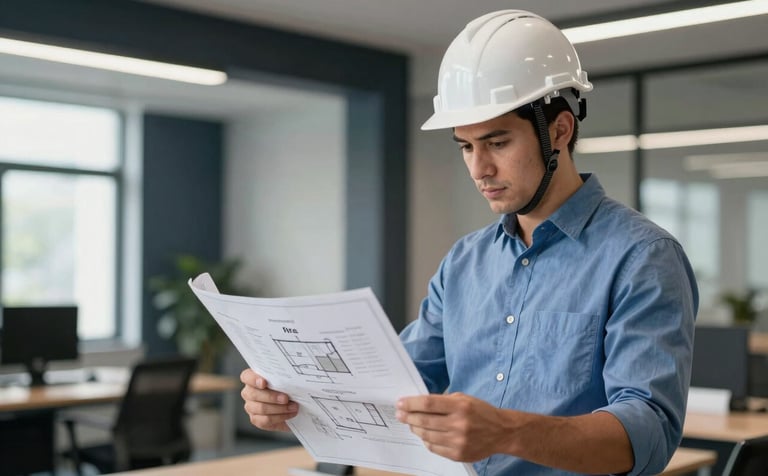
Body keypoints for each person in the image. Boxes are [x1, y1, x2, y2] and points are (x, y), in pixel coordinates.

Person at [240, 9, 698, 476]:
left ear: (559, 130)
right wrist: (295, 399)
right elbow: (399, 383)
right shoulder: (464, 262)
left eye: (497, 143)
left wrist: (508, 432)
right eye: (465, 146)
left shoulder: (643, 256)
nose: (479, 169)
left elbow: (649, 433)